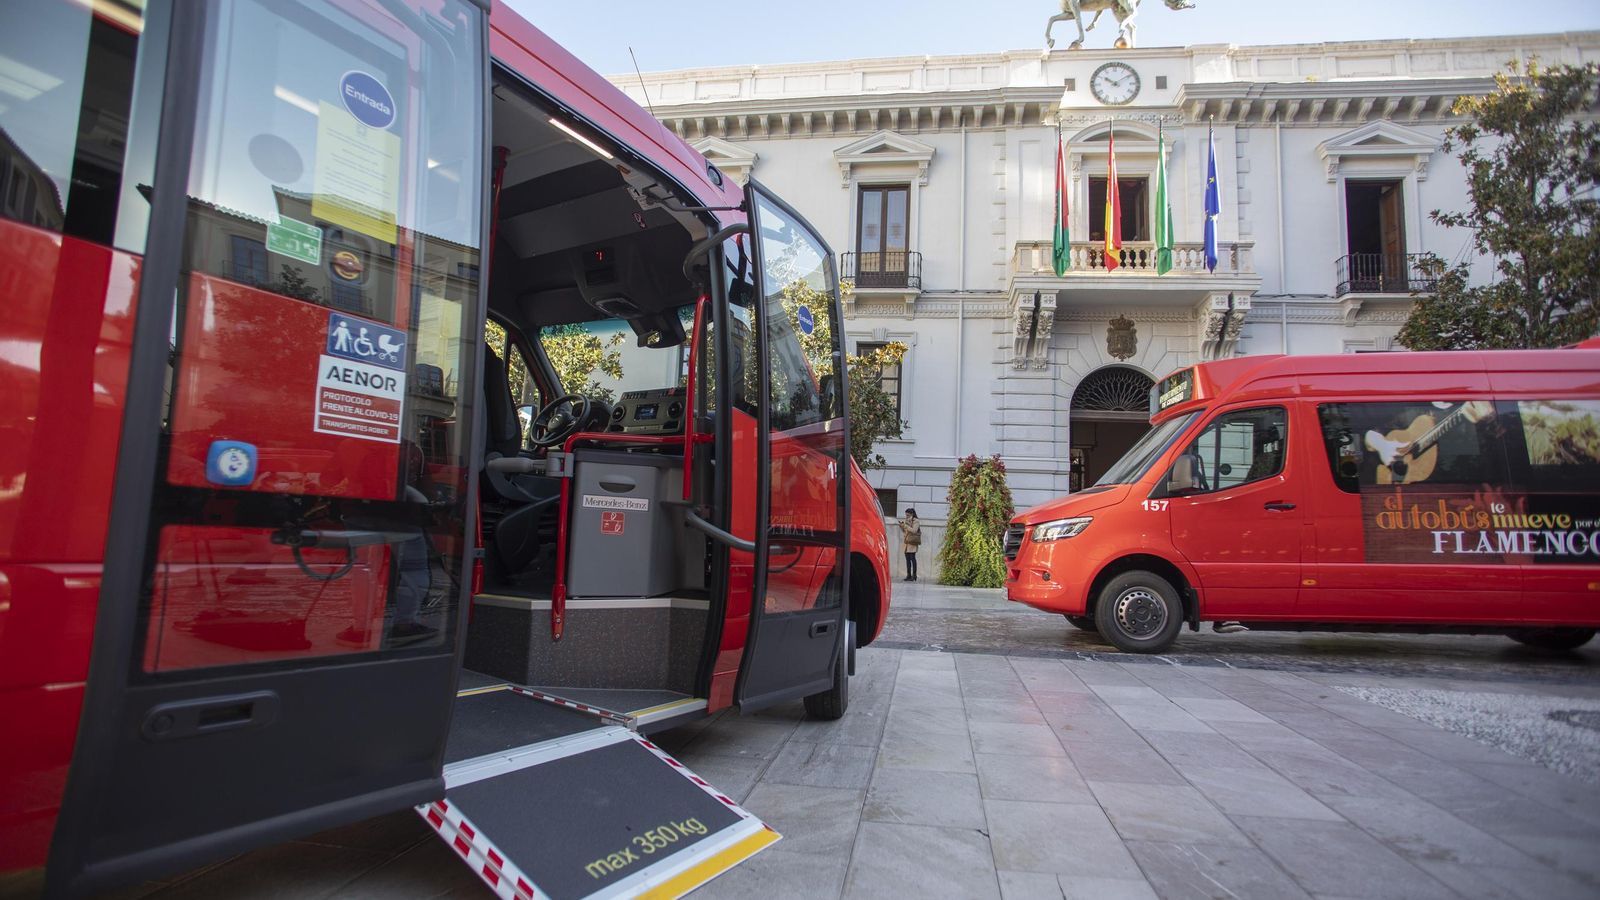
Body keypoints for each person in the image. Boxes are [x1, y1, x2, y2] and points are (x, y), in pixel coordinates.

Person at [897, 507, 921, 582]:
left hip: (912, 542)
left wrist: (906, 526)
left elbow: (914, 530)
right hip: (907, 542)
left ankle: (914, 575)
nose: (906, 517)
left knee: (912, 558)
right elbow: (905, 531)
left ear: (912, 514)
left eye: (908, 515)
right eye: (906, 515)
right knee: (907, 559)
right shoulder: (906, 521)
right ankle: (908, 575)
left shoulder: (916, 521)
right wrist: (902, 526)